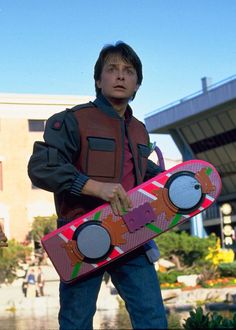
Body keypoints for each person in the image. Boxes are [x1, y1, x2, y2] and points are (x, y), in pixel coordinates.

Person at [28, 41, 168, 329]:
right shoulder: (72, 120)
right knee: (76, 321)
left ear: (137, 84)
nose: (120, 76)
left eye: (128, 71)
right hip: (81, 235)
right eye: (112, 69)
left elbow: (146, 175)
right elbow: (41, 167)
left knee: (153, 318)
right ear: (97, 79)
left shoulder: (140, 130)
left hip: (132, 235)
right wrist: (94, 187)